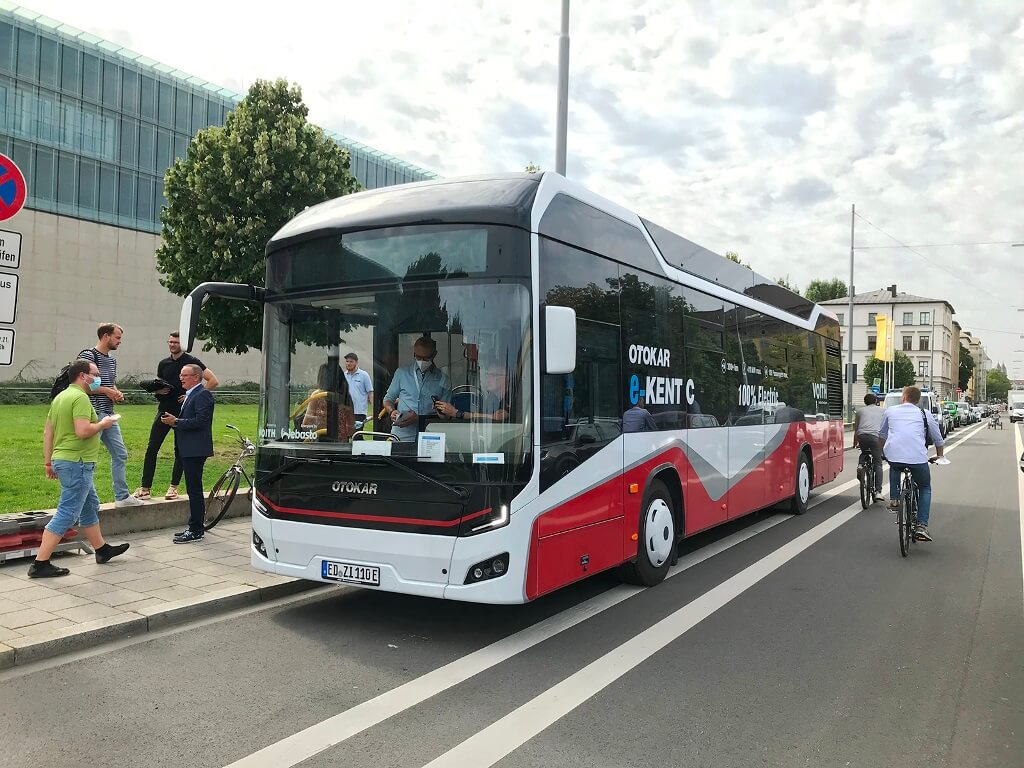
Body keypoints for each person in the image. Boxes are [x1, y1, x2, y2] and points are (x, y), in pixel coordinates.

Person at [32, 359, 130, 577]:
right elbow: (83, 431)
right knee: (68, 512)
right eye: (95, 374)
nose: (98, 378)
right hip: (78, 462)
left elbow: (48, 433)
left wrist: (48, 461)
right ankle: (40, 563)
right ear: (83, 376)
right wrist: (104, 424)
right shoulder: (81, 398)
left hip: (66, 460)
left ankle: (101, 550)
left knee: (89, 505)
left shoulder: (61, 397)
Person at [135, 331, 219, 501]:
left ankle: (173, 488)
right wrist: (157, 389)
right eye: (170, 342)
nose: (172, 344)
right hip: (164, 409)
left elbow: (213, 380)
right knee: (152, 448)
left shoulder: (192, 362)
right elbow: (159, 384)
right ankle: (145, 488)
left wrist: (192, 395)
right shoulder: (163, 363)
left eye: (176, 342)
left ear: (183, 343)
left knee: (180, 451)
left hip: (183, 413)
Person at [78, 323, 142, 508]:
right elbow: (83, 385)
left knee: (120, 454)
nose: (119, 342)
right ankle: (85, 499)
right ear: (106, 336)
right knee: (88, 457)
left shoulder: (112, 360)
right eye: (117, 338)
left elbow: (109, 383)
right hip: (92, 413)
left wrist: (116, 392)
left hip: (109, 413)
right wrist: (107, 391)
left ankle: (121, 497)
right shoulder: (89, 356)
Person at [879, 385, 945, 542]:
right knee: (924, 487)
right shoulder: (925, 414)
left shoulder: (890, 411)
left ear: (903, 397)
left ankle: (894, 499)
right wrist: (940, 455)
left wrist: (880, 452)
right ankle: (921, 526)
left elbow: (882, 435)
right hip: (917, 457)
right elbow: (937, 438)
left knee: (894, 465)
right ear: (918, 400)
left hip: (894, 456)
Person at [160, 364, 215, 543]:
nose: (181, 378)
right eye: (180, 374)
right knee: (193, 489)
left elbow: (201, 421)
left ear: (197, 377)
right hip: (189, 448)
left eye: (185, 375)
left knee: (194, 490)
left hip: (196, 449)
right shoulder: (192, 395)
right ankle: (194, 524)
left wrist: (176, 421)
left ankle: (196, 529)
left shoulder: (203, 394)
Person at [383, 336, 451, 442]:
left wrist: (420, 419)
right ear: (414, 354)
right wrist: (392, 411)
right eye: (418, 357)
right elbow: (388, 399)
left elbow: (446, 416)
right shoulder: (402, 373)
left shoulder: (443, 379)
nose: (422, 361)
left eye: (426, 358)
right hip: (401, 435)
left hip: (430, 435)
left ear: (434, 355)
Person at [434, 363, 511, 423]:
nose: (488, 379)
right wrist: (445, 413)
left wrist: (457, 413)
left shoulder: (511, 398)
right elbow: (482, 417)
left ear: (505, 377)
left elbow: (497, 417)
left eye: (493, 375)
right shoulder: (491, 398)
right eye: (488, 374)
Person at [301, 362, 356, 440]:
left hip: (319, 442)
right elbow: (351, 430)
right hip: (340, 445)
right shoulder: (346, 397)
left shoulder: (317, 395)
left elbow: (305, 425)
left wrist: (320, 420)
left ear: (321, 378)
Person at [853, 392, 885, 503]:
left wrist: (855, 443)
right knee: (878, 463)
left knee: (864, 452)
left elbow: (856, 429)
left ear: (865, 402)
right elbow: (885, 429)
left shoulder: (860, 411)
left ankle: (860, 466)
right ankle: (878, 492)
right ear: (876, 401)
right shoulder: (882, 411)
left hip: (862, 436)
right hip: (876, 437)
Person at [343, 352, 374, 420]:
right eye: (347, 361)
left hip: (359, 412)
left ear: (356, 362)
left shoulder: (364, 375)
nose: (348, 363)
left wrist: (374, 410)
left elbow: (370, 393)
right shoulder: (343, 376)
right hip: (345, 411)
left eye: (351, 361)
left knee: (358, 430)